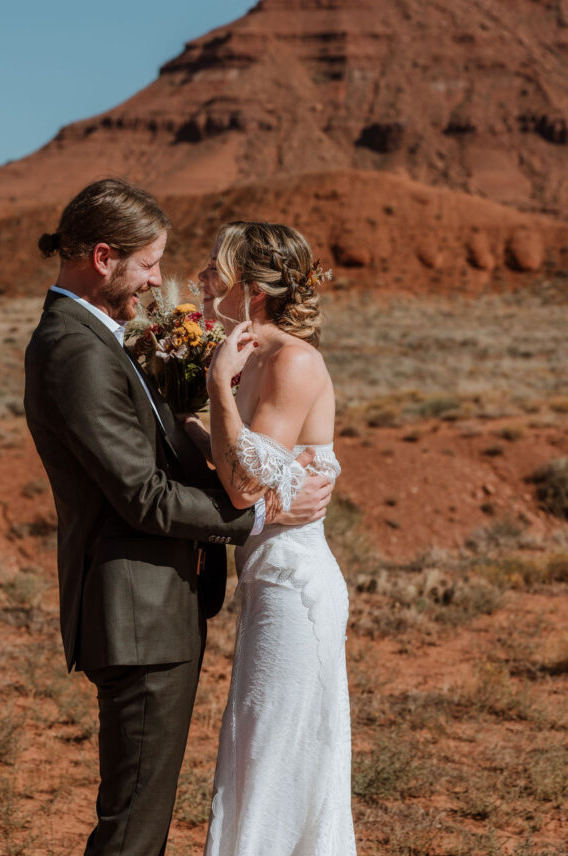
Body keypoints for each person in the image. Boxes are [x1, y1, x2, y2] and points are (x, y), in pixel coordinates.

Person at [23, 179, 334, 856]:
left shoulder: (103, 337)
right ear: (103, 257)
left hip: (159, 604)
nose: (158, 281)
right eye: (148, 264)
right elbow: (143, 496)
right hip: (136, 611)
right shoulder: (75, 348)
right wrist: (257, 521)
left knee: (145, 814)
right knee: (134, 827)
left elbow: (172, 443)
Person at [188, 220, 356, 856]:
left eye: (214, 268)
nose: (203, 278)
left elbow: (239, 490)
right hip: (265, 580)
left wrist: (215, 395)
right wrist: (189, 420)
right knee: (257, 751)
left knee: (274, 760)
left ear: (251, 289)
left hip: (294, 586)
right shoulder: (254, 358)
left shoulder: (292, 360)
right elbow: (243, 472)